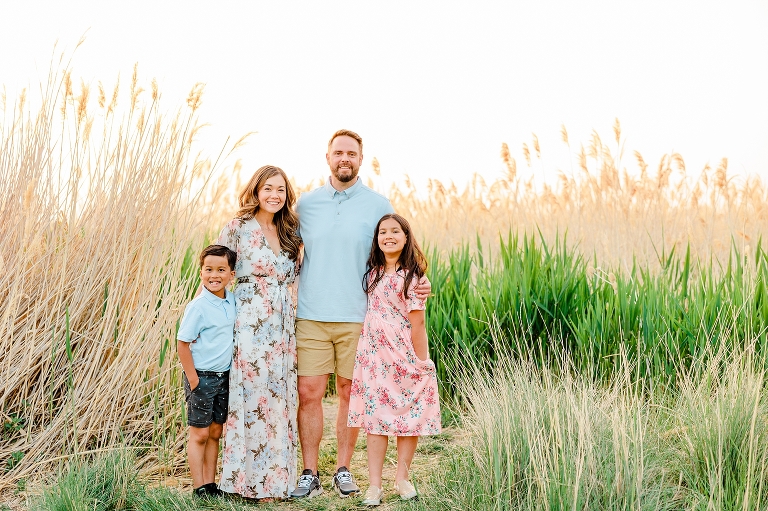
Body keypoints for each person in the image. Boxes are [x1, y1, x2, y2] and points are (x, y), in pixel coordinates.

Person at [290, 129, 431, 499]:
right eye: (338, 153)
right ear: (327, 157)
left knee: (352, 392)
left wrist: (418, 280)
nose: (345, 159)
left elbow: (394, 244)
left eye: (351, 153)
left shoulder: (377, 203)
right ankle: (309, 471)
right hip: (311, 313)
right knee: (309, 392)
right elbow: (285, 250)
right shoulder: (306, 204)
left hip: (360, 316)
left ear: (361, 159)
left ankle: (343, 469)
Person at [216, 165, 302, 500]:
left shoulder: (290, 232)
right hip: (250, 321)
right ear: (255, 191)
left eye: (280, 189)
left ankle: (276, 482)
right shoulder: (238, 227)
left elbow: (297, 278)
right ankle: (245, 482)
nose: (274, 195)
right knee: (250, 395)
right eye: (267, 188)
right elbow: (216, 270)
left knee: (279, 397)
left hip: (283, 326)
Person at [348, 213, 441, 506]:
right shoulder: (371, 273)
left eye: (395, 231)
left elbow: (418, 323)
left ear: (405, 237)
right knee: (376, 419)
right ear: (377, 240)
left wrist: (421, 362)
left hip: (402, 355)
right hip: (374, 357)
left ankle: (402, 478)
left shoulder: (413, 278)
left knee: (407, 416)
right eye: (382, 232)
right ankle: (374, 485)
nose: (388, 236)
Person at [177, 244, 237, 499]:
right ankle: (198, 486)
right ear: (201, 272)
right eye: (209, 269)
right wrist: (193, 379)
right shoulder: (198, 306)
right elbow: (182, 343)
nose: (215, 275)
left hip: (224, 377)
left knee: (215, 432)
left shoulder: (231, 299)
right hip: (201, 376)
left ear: (231, 274)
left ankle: (211, 485)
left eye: (221, 269)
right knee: (199, 433)